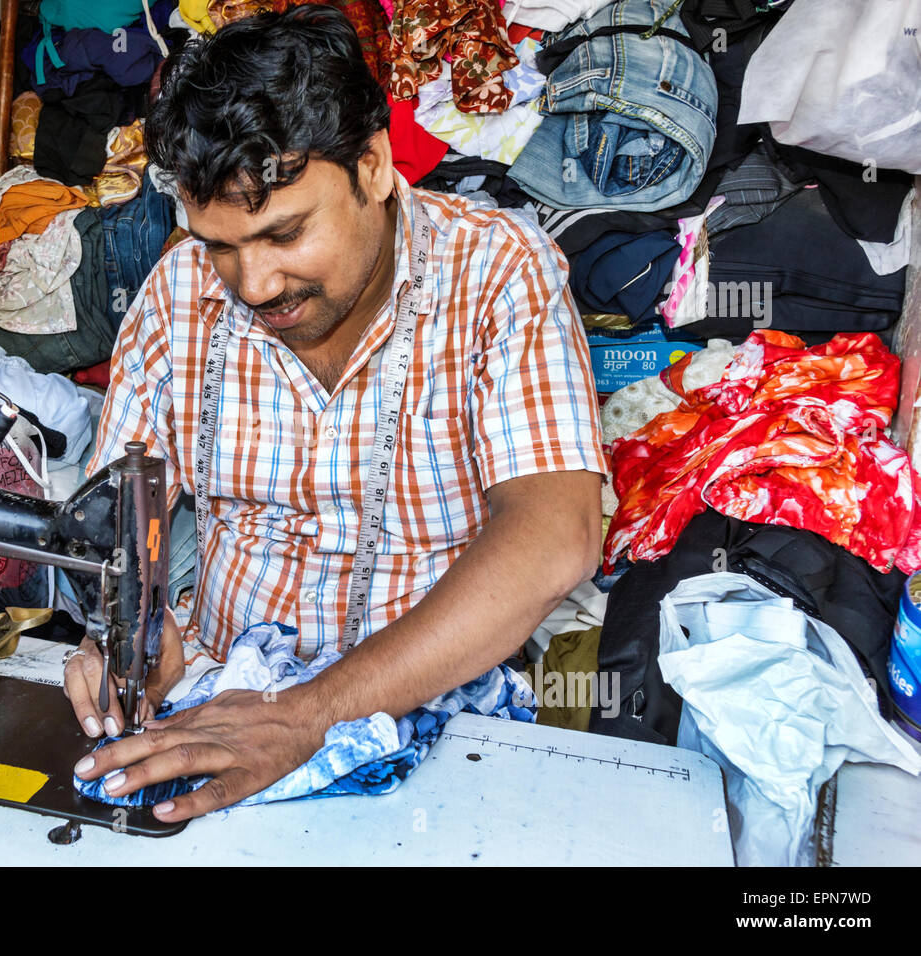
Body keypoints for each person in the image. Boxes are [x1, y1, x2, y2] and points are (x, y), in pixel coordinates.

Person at [61, 4, 608, 821]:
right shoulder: (180, 294)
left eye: (284, 234)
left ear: (375, 167)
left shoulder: (497, 273)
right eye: (221, 244)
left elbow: (553, 537)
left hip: (438, 721)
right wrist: (132, 628)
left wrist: (309, 714)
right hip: (223, 705)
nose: (252, 285)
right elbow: (117, 517)